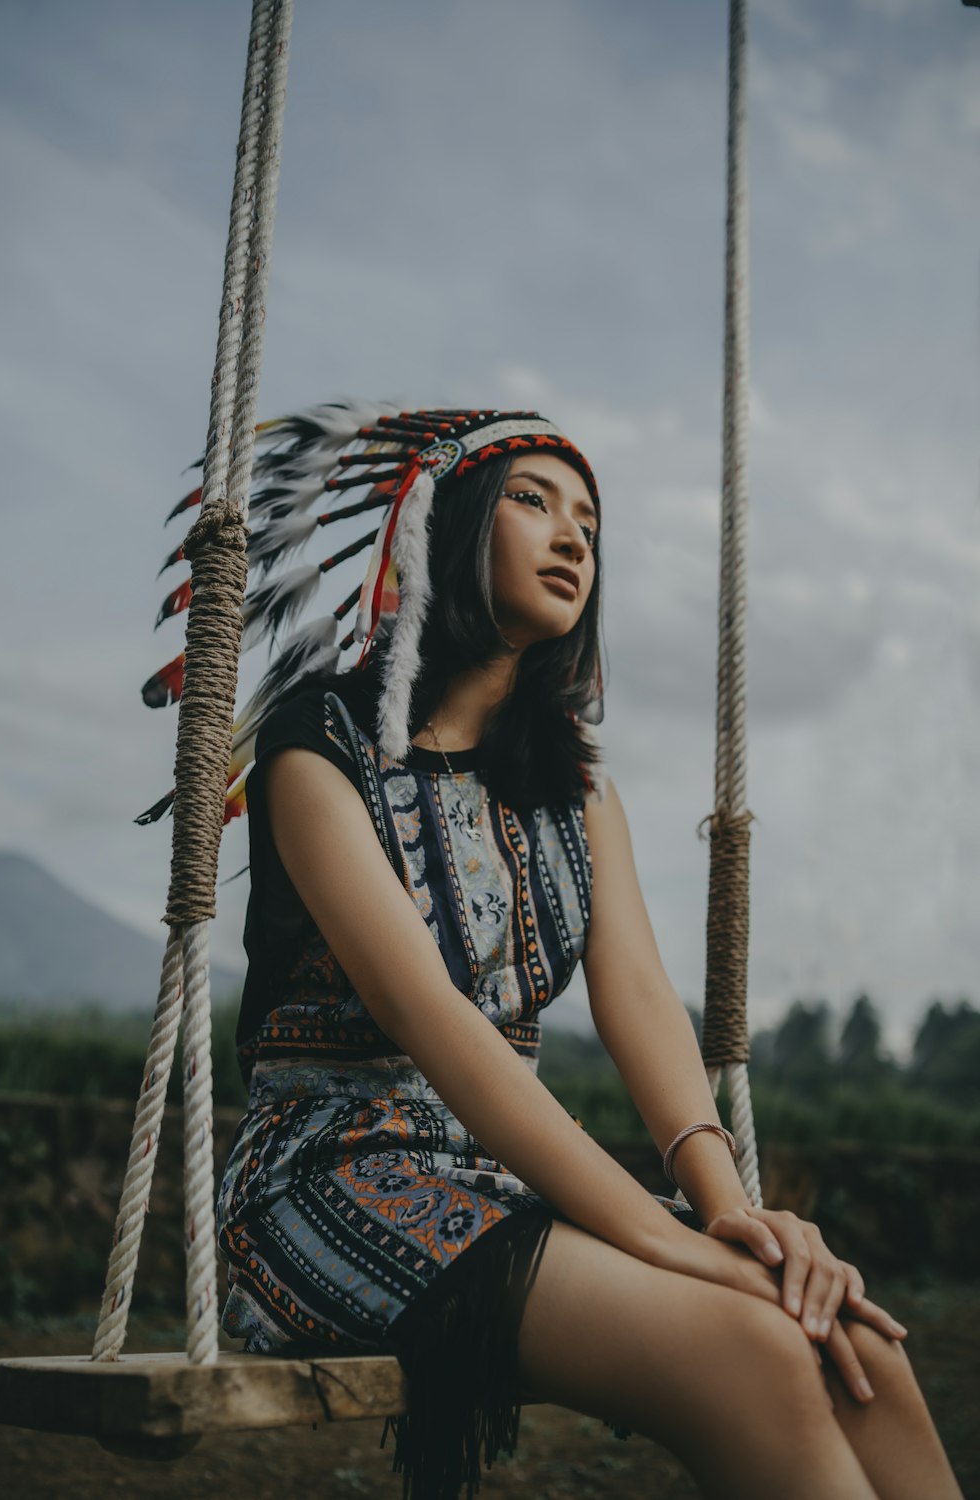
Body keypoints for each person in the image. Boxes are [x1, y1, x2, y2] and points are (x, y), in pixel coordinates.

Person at [214, 405, 962, 1500]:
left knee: (856, 1348)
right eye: (533, 502)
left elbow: (643, 1004)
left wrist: (730, 1218)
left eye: (590, 524)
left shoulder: (573, 784)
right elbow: (439, 1025)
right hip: (329, 1176)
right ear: (451, 524)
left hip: (496, 1174)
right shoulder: (316, 752)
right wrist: (662, 1245)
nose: (573, 539)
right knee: (751, 1349)